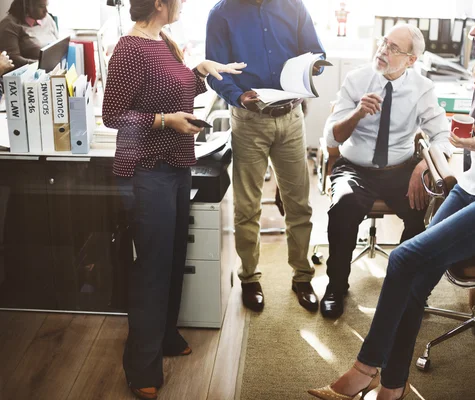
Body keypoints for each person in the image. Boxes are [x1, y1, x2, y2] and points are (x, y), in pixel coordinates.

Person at [309, 1, 475, 399]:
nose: (472, 31)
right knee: (413, 284)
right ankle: (393, 387)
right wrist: (443, 153)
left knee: (402, 257)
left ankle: (365, 370)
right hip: (469, 188)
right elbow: (465, 138)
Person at [102, 0, 245, 399]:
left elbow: (174, 89)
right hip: (146, 171)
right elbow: (113, 115)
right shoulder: (130, 49)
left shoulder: (164, 40)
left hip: (177, 166)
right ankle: (140, 366)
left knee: (173, 257)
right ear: (160, 4)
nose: (184, 3)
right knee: (152, 267)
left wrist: (198, 72)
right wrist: (166, 121)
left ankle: (164, 336)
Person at [320, 23, 452, 319]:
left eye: (394, 48)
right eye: (384, 43)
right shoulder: (357, 79)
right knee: (343, 207)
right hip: (354, 167)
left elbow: (443, 136)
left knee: (422, 210)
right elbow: (332, 138)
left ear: (411, 60)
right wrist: (357, 113)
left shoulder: (422, 88)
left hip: (400, 169)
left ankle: (404, 285)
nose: (383, 50)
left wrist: (423, 164)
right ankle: (335, 286)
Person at [206, 0, 326, 313]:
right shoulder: (221, 14)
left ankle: (302, 275)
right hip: (249, 119)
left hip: (290, 117)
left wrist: (311, 67)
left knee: (298, 202)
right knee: (247, 205)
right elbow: (214, 72)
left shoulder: (293, 6)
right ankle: (249, 278)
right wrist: (238, 96)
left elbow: (316, 52)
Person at [0, 0, 59, 69]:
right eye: (41, 6)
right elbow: (13, 60)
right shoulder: (9, 25)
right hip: (28, 74)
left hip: (51, 68)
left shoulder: (48, 18)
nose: (46, 10)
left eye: (46, 5)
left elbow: (57, 44)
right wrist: (42, 65)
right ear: (27, 6)